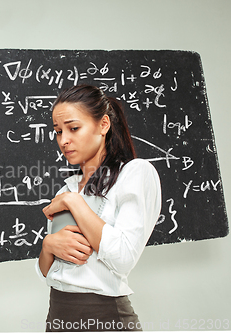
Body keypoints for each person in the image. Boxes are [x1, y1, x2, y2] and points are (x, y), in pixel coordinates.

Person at [36, 84, 161, 332]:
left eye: (73, 128)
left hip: (105, 318)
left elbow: (124, 258)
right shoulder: (66, 189)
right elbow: (51, 274)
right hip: (57, 316)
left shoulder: (134, 173)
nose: (64, 140)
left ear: (103, 125)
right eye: (58, 131)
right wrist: (48, 246)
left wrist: (75, 203)